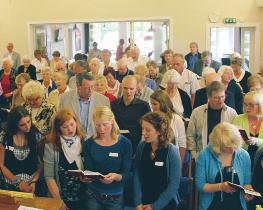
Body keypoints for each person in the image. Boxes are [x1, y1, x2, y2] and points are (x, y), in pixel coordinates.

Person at [83, 106, 132, 210]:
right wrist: (86, 178)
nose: (101, 129)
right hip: (93, 195)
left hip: (115, 197)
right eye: (97, 125)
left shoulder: (125, 143)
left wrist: (116, 177)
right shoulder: (88, 144)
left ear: (112, 121)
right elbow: (89, 170)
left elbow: (127, 174)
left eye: (105, 124)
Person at [195, 122, 254, 210]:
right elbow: (199, 185)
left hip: (237, 205)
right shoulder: (205, 155)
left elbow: (246, 183)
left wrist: (248, 192)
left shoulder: (244, 155)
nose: (232, 149)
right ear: (217, 145)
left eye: (235, 145)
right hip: (212, 205)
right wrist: (220, 187)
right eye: (227, 147)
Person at [134, 111, 181, 210]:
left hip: (165, 203)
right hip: (144, 203)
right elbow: (137, 175)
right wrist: (138, 202)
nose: (143, 133)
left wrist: (155, 206)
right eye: (143, 129)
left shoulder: (171, 151)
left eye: (148, 130)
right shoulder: (141, 146)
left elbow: (174, 184)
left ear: (159, 131)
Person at [44, 109, 86, 210]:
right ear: (59, 129)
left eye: (72, 124)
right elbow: (49, 177)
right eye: (65, 127)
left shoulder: (85, 141)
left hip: (84, 197)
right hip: (62, 198)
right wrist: (59, 202)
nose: (70, 129)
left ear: (76, 122)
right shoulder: (51, 146)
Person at [187, 81, 237, 159]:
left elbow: (235, 137)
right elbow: (190, 135)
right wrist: (194, 154)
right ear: (208, 97)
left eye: (222, 96)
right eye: (216, 97)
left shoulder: (232, 113)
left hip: (224, 156)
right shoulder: (197, 112)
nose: (220, 100)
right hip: (202, 154)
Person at [0, 106, 43, 194]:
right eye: (22, 125)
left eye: (28, 121)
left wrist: (34, 181)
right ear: (14, 124)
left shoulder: (37, 136)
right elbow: (1, 165)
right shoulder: (5, 138)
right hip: (10, 186)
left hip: (33, 184)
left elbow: (42, 163)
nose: (27, 126)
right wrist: (18, 183)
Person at [59, 72, 110, 138]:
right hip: (72, 140)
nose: (90, 90)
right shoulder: (65, 98)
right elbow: (59, 121)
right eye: (87, 88)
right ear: (78, 86)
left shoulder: (103, 100)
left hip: (96, 139)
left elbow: (108, 124)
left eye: (92, 87)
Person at [111, 75, 151, 154]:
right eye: (125, 88)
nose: (128, 92)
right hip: (116, 143)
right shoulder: (114, 104)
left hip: (136, 145)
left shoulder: (144, 106)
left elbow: (148, 127)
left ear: (136, 88)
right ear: (121, 87)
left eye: (131, 89)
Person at [150, 90, 187, 162]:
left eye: (155, 104)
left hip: (172, 158)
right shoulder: (151, 118)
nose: (152, 107)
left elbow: (182, 145)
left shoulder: (177, 119)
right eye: (151, 104)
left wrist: (179, 165)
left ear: (163, 104)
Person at [233, 91, 263, 167]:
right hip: (242, 160)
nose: (247, 108)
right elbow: (232, 142)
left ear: (260, 105)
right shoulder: (238, 119)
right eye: (245, 104)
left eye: (251, 105)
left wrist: (257, 141)